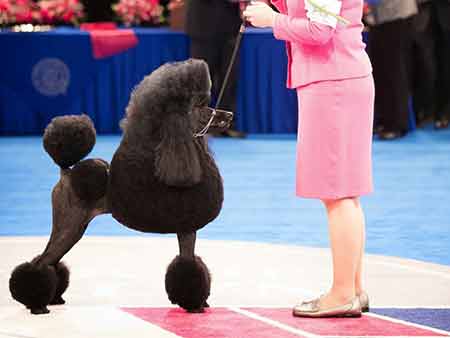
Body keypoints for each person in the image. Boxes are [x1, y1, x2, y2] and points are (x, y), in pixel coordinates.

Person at [244, 0, 373, 317]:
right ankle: (352, 288)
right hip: (337, 80)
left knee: (337, 194)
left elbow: (320, 30)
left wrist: (272, 20)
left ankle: (343, 293)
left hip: (333, 83)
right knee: (344, 194)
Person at [185, 0, 246, 138]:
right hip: (203, 23)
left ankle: (224, 125)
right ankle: (197, 125)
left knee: (229, 78)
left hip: (230, 23)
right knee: (201, 79)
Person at [367, 0, 418, 140]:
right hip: (380, 17)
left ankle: (398, 124)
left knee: (395, 70)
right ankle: (386, 120)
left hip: (396, 15)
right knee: (382, 70)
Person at [412, 0, 450, 129]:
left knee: (445, 68)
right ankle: (425, 111)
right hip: (421, 15)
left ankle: (443, 113)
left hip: (445, 16)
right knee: (424, 65)